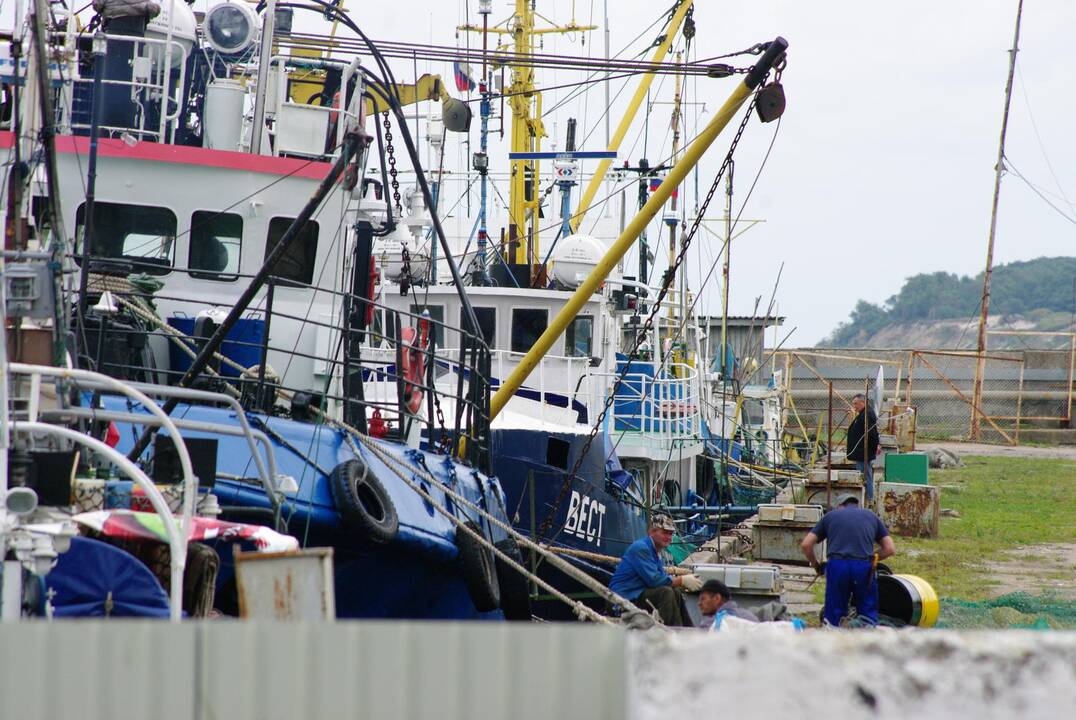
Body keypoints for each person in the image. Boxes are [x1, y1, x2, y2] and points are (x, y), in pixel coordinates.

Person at [801, 496, 896, 627]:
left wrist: (816, 565)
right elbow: (890, 548)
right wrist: (871, 557)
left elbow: (806, 544)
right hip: (864, 567)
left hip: (837, 566)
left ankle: (834, 634)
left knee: (833, 616)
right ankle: (866, 634)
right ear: (857, 505)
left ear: (839, 505)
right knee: (867, 614)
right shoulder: (871, 516)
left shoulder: (831, 516)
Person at [609, 514, 703, 626]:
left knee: (676, 592)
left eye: (670, 534)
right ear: (652, 532)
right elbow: (655, 581)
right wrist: (682, 580)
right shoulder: (641, 548)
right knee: (666, 592)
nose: (668, 537)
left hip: (636, 594)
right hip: (620, 600)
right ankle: (667, 633)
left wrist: (678, 582)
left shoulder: (654, 551)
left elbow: (662, 578)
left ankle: (687, 630)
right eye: (664, 532)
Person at [846, 393, 880, 503]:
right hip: (860, 451)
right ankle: (867, 498)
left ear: (863, 402)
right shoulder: (863, 413)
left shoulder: (867, 414)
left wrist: (875, 446)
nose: (854, 406)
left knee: (865, 476)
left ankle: (869, 499)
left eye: (856, 404)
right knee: (865, 474)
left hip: (863, 452)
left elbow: (872, 433)